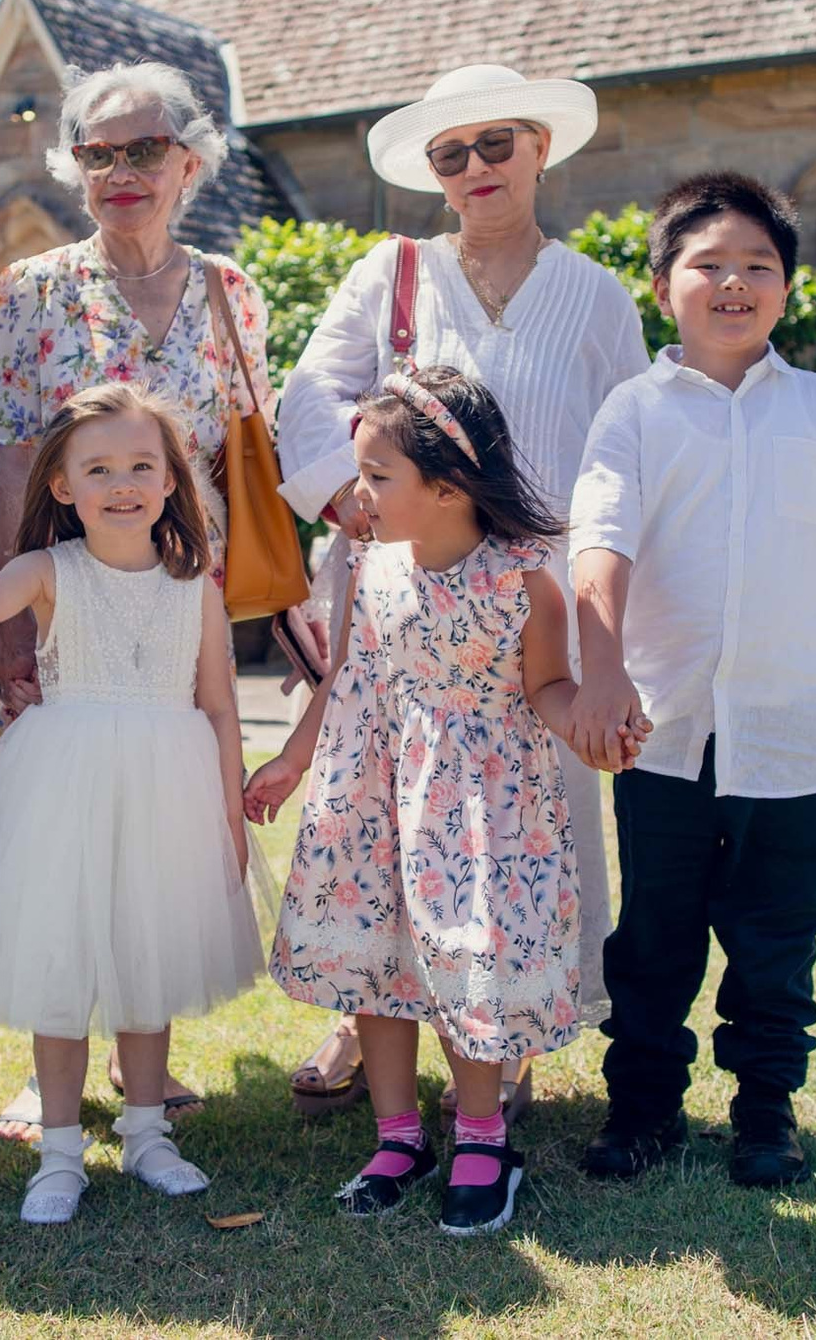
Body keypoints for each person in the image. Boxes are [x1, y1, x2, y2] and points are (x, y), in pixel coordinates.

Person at [272, 62, 649, 1122]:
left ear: (539, 146)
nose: (475, 167)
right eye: (452, 153)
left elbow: (622, 444)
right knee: (385, 811)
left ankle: (509, 1028)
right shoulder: (388, 273)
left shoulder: (593, 292)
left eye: (496, 144)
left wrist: (602, 598)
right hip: (402, 594)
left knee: (525, 821)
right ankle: (363, 1008)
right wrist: (349, 496)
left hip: (531, 596)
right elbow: (310, 394)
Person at [565, 173, 816, 1188]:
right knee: (656, 933)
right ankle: (642, 1110)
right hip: (661, 730)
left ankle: (766, 1108)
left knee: (778, 934)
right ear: (664, 281)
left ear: (787, 289)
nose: (733, 281)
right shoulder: (632, 412)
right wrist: (605, 671)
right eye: (708, 262)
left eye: (758, 265)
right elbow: (601, 543)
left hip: (793, 727)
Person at [0, 59, 272, 1140]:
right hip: (65, 607)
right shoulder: (36, 289)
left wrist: (261, 604)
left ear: (191, 159)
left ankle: (147, 1058)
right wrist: (9, 626)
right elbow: (12, 463)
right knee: (65, 827)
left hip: (179, 599)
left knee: (157, 815)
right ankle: (49, 1061)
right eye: (96, 154)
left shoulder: (232, 292)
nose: (120, 172)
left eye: (144, 148)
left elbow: (243, 458)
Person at [245, 368, 607, 1236]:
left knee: (465, 957)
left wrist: (589, 726)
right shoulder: (370, 570)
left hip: (482, 808)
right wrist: (295, 759)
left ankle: (483, 1136)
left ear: (448, 488)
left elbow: (549, 688)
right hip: (373, 788)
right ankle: (399, 1135)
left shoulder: (524, 584)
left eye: (377, 477)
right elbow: (345, 677)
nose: (359, 494)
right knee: (380, 957)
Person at [0, 385, 261, 1225]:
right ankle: (62, 1150)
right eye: (99, 468)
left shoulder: (196, 586)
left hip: (170, 784)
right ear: (64, 486)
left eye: (142, 465)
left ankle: (148, 1134)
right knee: (65, 963)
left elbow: (218, 704)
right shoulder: (49, 570)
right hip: (64, 785)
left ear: (172, 479)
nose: (123, 483)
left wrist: (226, 814)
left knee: (149, 954)